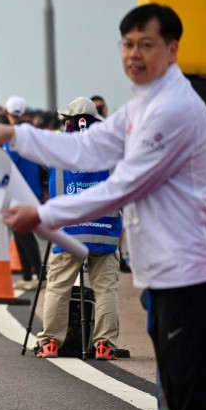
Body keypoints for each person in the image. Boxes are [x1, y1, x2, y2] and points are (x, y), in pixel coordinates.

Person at [0, 4, 206, 410]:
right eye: (127, 44)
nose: (134, 54)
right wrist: (14, 134)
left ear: (172, 50)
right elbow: (88, 151)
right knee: (177, 407)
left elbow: (124, 185)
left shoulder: (173, 109)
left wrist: (43, 216)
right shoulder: (144, 104)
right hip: (165, 277)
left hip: (192, 278)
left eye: (146, 44)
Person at [34, 97, 122, 360]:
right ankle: (104, 344)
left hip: (68, 230)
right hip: (104, 229)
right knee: (106, 288)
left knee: (58, 286)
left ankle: (50, 342)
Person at [3, 95, 45, 290]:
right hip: (33, 187)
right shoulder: (32, 132)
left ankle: (36, 275)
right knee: (22, 233)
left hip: (19, 190)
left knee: (23, 233)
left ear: (7, 113)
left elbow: (9, 163)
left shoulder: (13, 134)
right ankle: (30, 275)